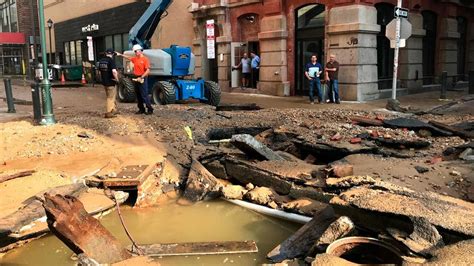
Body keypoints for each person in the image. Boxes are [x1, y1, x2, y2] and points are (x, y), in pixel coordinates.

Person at [116, 44, 153, 115]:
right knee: (138, 94)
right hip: (136, 77)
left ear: (140, 51)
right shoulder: (135, 59)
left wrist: (141, 77)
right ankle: (141, 109)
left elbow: (148, 70)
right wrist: (120, 55)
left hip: (142, 78)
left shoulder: (145, 59)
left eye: (136, 51)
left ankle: (150, 109)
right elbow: (128, 57)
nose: (135, 53)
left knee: (144, 95)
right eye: (135, 51)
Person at [98, 48, 119, 118]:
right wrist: (117, 79)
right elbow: (114, 71)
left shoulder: (101, 61)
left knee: (110, 96)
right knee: (110, 98)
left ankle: (114, 109)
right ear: (112, 54)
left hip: (104, 82)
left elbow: (99, 71)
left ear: (106, 53)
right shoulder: (111, 61)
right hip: (111, 82)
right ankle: (109, 112)